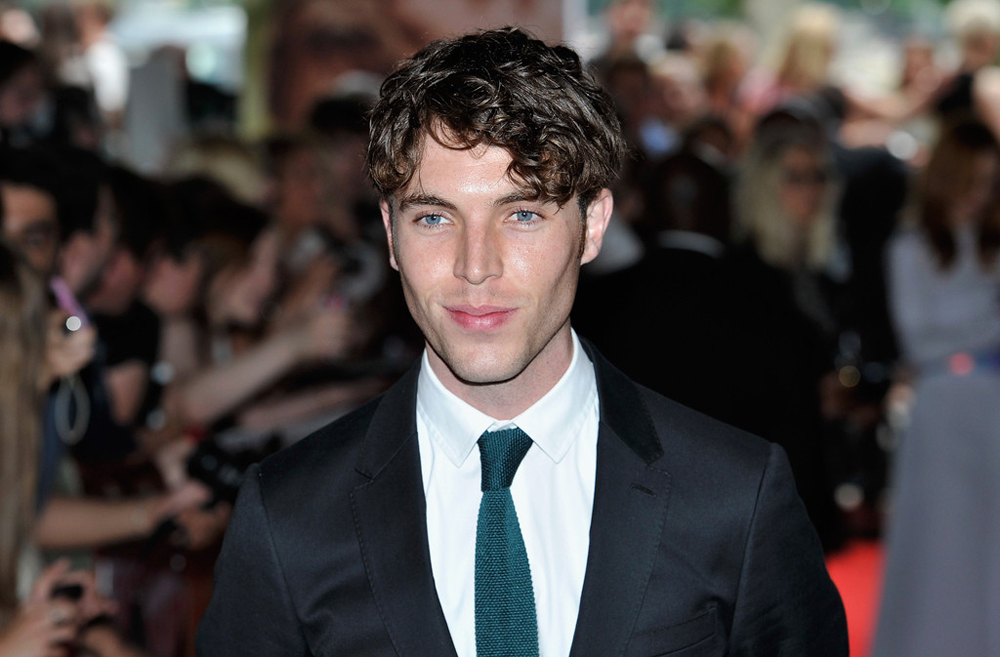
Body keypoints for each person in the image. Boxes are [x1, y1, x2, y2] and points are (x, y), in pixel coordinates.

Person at [197, 27, 847, 656]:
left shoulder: (735, 496)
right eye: (434, 218)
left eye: (524, 214)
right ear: (391, 236)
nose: (476, 266)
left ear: (593, 225)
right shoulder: (288, 516)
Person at [874, 118, 1000, 657]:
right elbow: (917, 342)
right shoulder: (910, 248)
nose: (980, 195)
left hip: (990, 405)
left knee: (988, 545)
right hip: (942, 410)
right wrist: (987, 324)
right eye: (972, 180)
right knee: (940, 541)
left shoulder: (991, 245)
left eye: (990, 182)